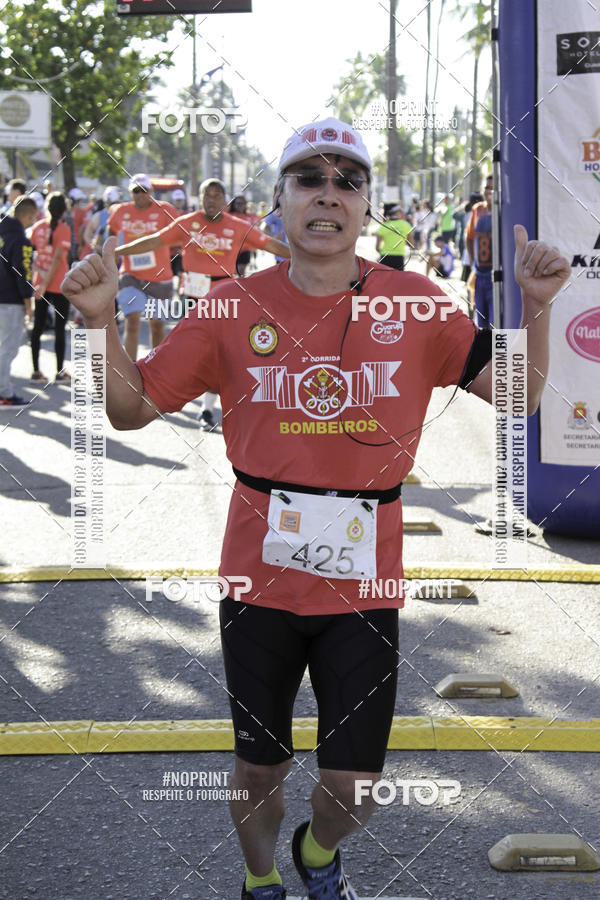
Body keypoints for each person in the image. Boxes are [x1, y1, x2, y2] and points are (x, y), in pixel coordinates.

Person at [62, 116, 570, 900]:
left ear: (368, 205)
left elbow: (518, 394)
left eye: (348, 180)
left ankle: (319, 852)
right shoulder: (231, 306)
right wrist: (100, 325)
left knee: (356, 790)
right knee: (260, 765)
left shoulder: (418, 305)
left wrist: (537, 309)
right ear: (280, 201)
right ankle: (260, 875)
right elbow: (130, 411)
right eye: (310, 178)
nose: (329, 194)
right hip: (256, 582)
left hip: (365, 587)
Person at [115, 177, 289, 431]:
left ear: (225, 200)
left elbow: (271, 245)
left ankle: (208, 409)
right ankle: (154, 390)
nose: (212, 200)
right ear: (200, 198)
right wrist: (116, 252)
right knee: (188, 349)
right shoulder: (187, 223)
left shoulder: (238, 227)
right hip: (193, 296)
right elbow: (154, 241)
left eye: (217, 195)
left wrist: (310, 257)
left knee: (221, 352)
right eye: (207, 195)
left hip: (225, 299)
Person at [107, 174, 178, 361]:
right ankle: (129, 371)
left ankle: (156, 367)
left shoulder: (166, 209)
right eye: (136, 191)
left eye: (143, 190)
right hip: (131, 275)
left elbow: (180, 232)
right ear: (130, 193)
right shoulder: (121, 211)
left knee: (156, 325)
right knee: (132, 321)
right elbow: (111, 231)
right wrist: (107, 252)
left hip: (160, 278)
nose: (140, 194)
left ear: (151, 191)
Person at [29, 192, 73, 383]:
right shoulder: (63, 229)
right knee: (59, 328)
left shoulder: (37, 227)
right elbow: (57, 259)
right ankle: (59, 372)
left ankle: (36, 371)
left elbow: (30, 255)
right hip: (59, 284)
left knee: (37, 327)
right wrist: (47, 282)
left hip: (40, 283)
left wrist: (40, 275)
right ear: (64, 210)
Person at [0, 195, 37, 406]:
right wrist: (29, 304)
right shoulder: (21, 241)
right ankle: (4, 392)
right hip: (10, 301)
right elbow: (24, 273)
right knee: (8, 349)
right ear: (30, 215)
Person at [466, 175, 494, 327]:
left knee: (495, 323)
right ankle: (486, 351)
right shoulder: (478, 210)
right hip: (480, 274)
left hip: (496, 276)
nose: (488, 191)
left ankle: (499, 352)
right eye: (486, 187)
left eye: (492, 188)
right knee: (481, 322)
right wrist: (472, 261)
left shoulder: (505, 210)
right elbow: (469, 237)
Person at [374, 204, 413, 270]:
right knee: (397, 279)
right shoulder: (406, 224)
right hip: (399, 258)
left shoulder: (384, 226)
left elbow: (377, 248)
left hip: (385, 257)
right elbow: (411, 244)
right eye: (400, 211)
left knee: (385, 280)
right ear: (397, 212)